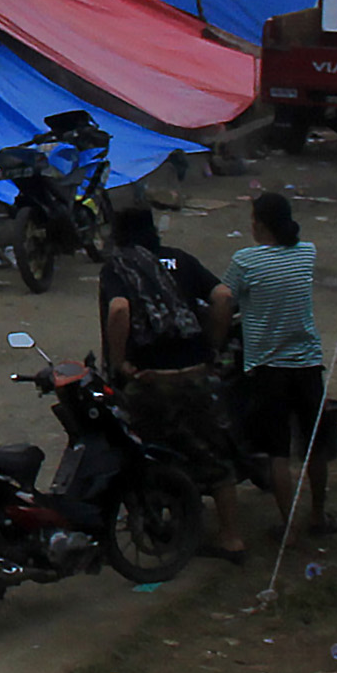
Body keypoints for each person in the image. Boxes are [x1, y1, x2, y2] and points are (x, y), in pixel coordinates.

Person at [98, 203, 252, 560]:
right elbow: (224, 297)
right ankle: (231, 537)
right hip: (194, 376)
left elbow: (119, 309)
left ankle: (166, 533)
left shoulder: (118, 267)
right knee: (215, 455)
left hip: (148, 380)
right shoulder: (180, 260)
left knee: (149, 456)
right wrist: (210, 348)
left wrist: (120, 363)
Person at [215, 190, 337, 537]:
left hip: (267, 368)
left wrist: (216, 337)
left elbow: (224, 298)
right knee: (314, 444)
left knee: (277, 451)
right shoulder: (306, 254)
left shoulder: (246, 262)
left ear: (260, 224)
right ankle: (317, 515)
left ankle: (287, 524)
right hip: (308, 364)